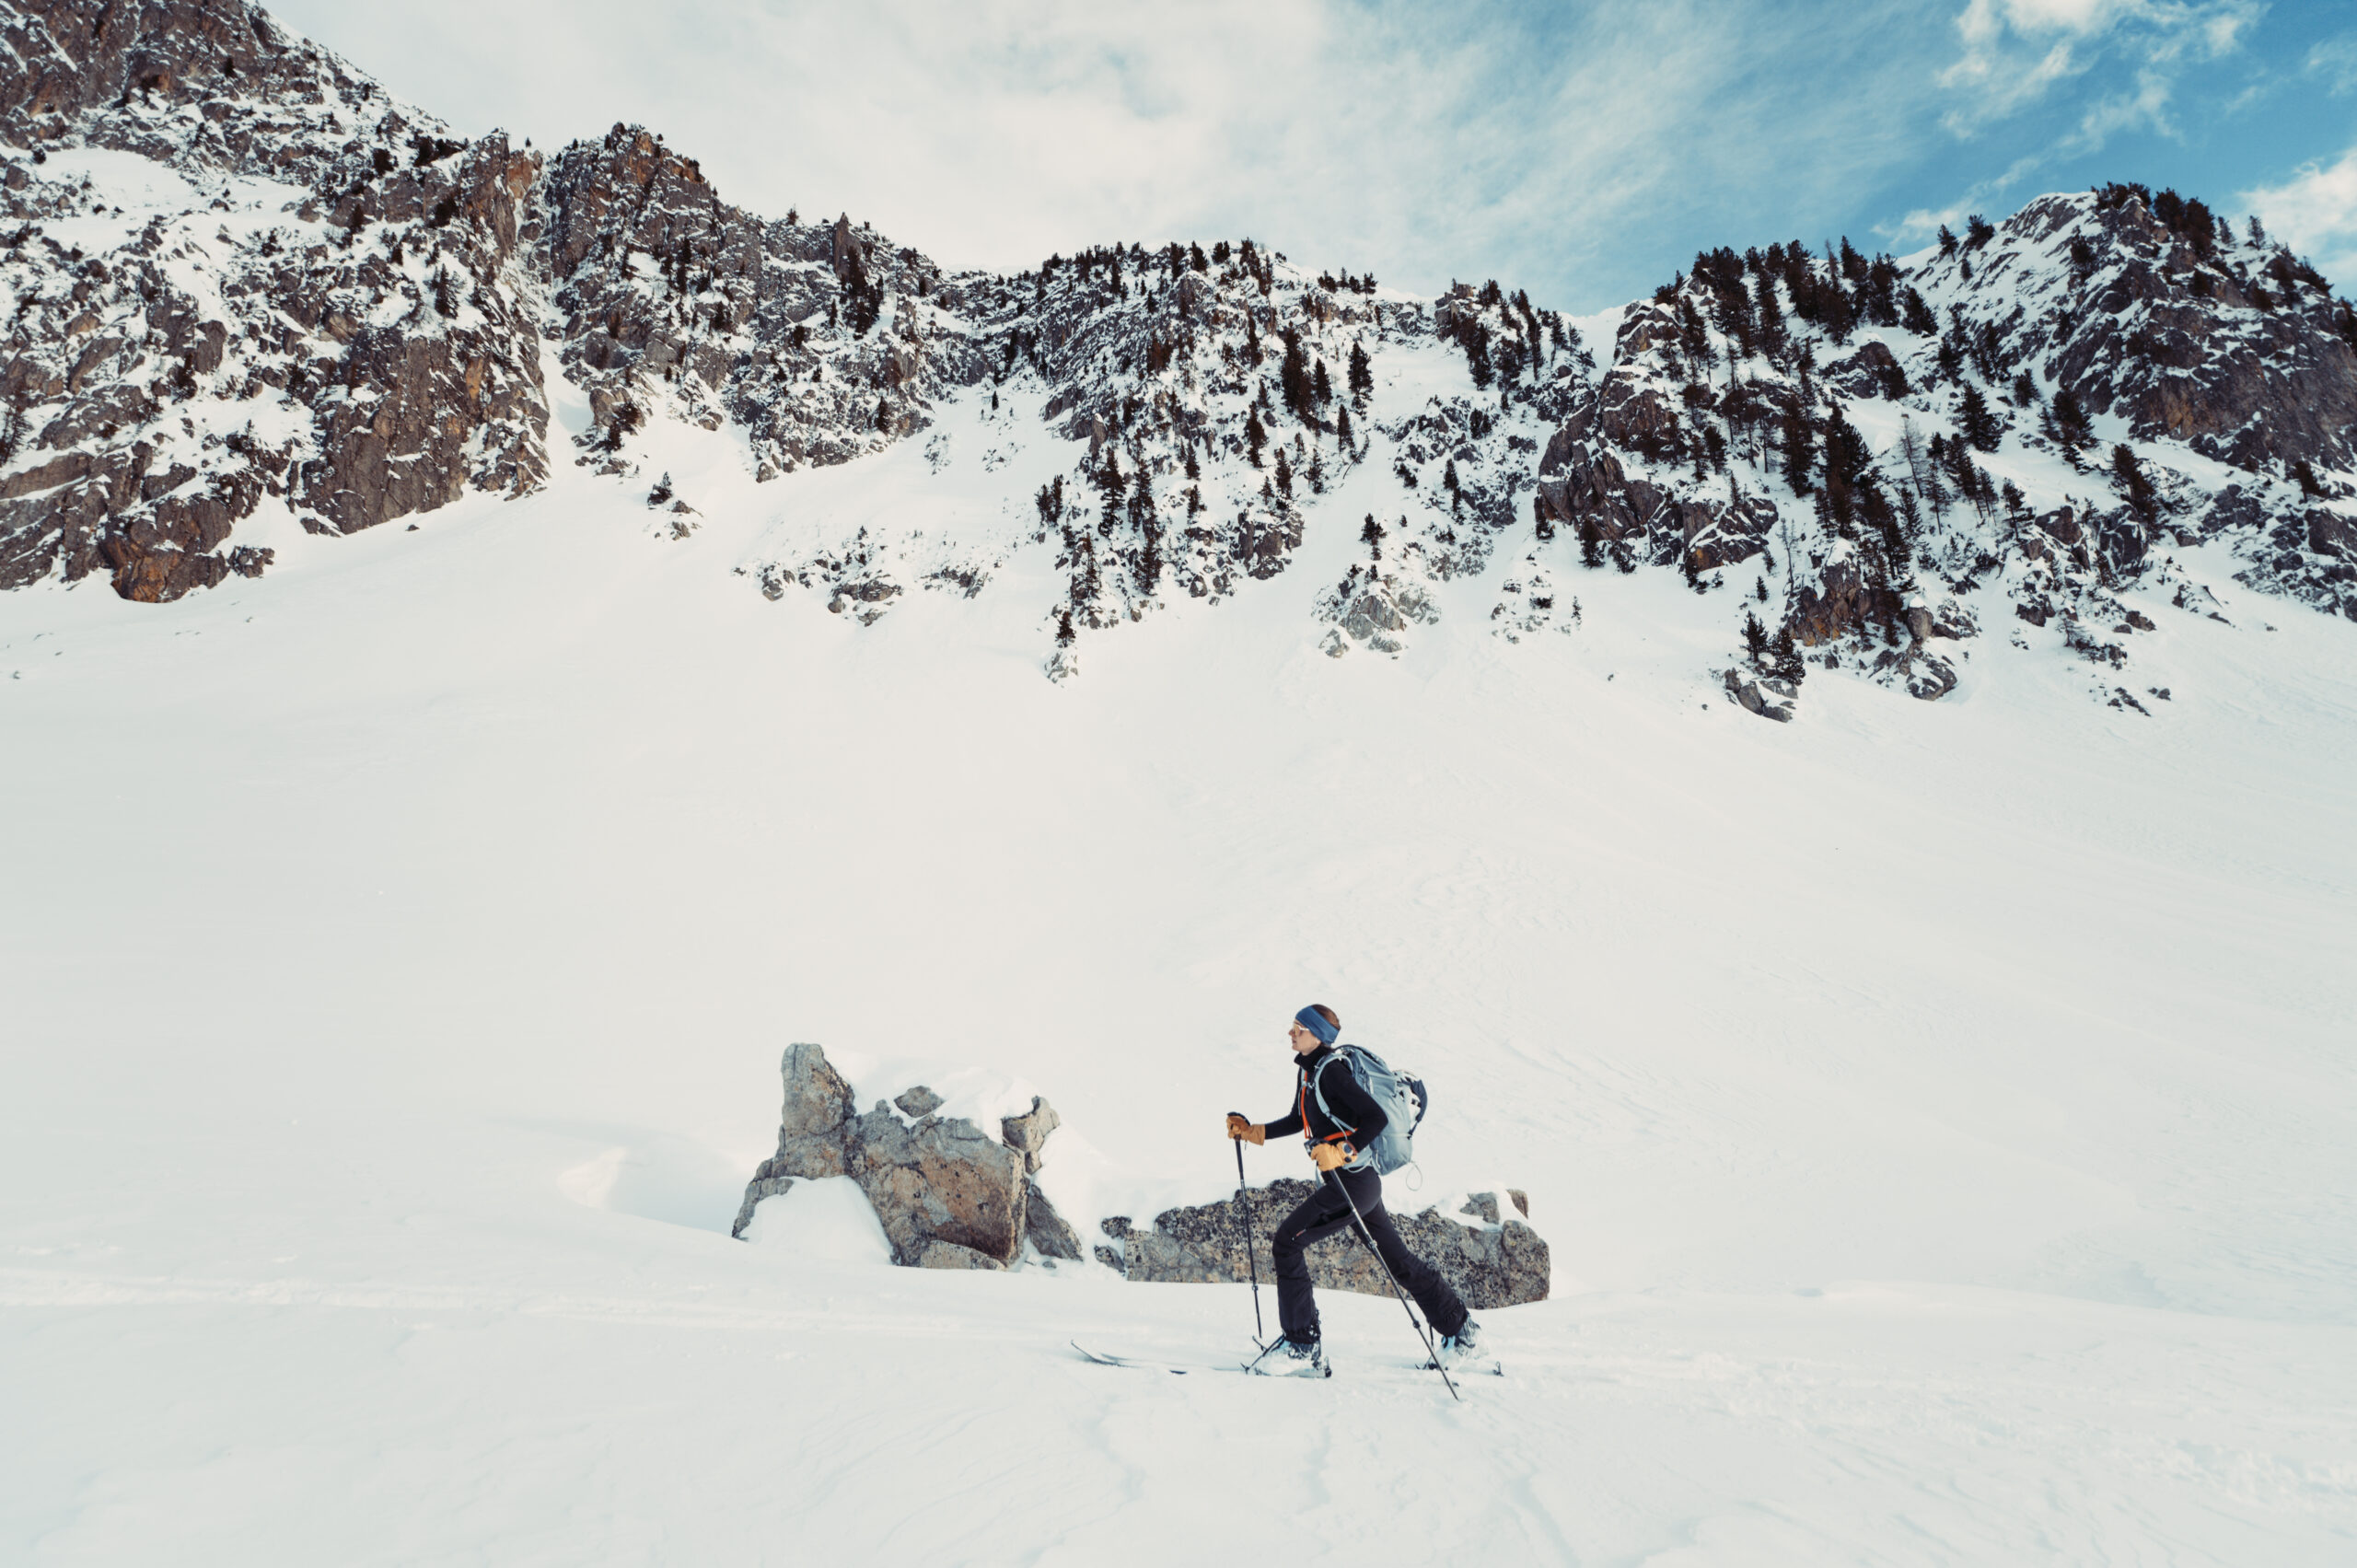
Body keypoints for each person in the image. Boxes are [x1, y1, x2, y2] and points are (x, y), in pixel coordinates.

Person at [1225, 1004, 1480, 1377]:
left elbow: (1374, 1119)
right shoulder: (1310, 1072)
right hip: (1356, 1184)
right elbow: (1301, 1120)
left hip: (1353, 1184)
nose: (1291, 1033)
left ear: (1317, 1036)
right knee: (1400, 1262)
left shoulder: (1332, 1073)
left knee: (1287, 1242)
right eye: (1293, 1027)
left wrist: (1342, 1150)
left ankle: (1303, 1346)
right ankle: (1462, 1332)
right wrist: (1254, 1132)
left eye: (1298, 1028)